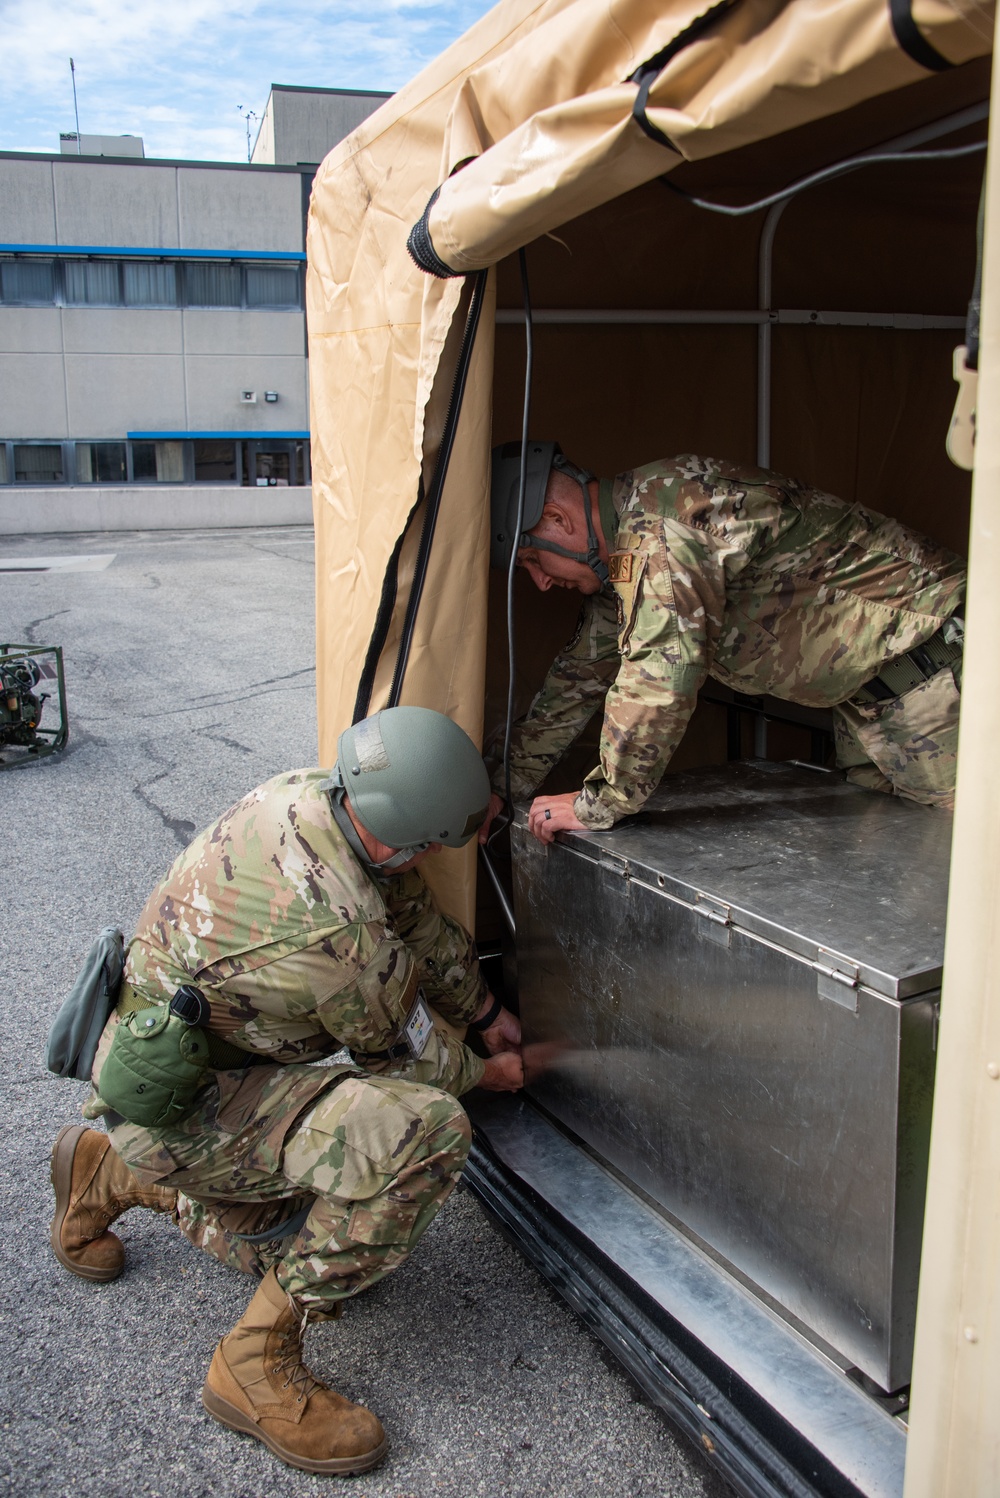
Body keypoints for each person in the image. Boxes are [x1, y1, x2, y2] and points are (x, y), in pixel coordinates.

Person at [49, 707, 522, 1477]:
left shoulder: (320, 798)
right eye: (435, 845)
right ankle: (255, 1361)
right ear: (414, 841)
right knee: (420, 1138)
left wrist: (486, 1011)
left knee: (306, 1232)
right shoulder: (342, 939)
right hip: (192, 1099)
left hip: (185, 1071)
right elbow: (419, 1064)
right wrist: (489, 1070)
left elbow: (419, 920)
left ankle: (116, 1169)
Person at [483, 442, 966, 844]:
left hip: (942, 678)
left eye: (531, 560)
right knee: (898, 862)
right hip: (875, 700)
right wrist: (497, 787)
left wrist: (601, 801)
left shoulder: (661, 528)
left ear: (558, 520)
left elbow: (661, 679)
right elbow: (576, 682)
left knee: (969, 878)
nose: (541, 583)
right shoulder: (627, 553)